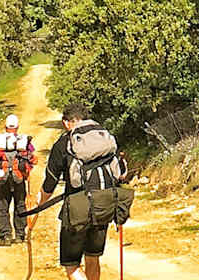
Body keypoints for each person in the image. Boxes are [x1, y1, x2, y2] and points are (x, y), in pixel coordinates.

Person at [29, 103, 127, 280]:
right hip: (104, 204)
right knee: (93, 257)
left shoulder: (64, 143)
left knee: (72, 265)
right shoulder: (102, 137)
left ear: (66, 122)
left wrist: (38, 206)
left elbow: (50, 184)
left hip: (77, 210)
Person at [0, 113, 36, 244]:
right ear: (17, 127)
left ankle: (5, 235)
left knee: (3, 206)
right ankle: (20, 235)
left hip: (3, 178)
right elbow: (32, 157)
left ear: (5, 127)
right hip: (18, 178)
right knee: (20, 205)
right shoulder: (23, 141)